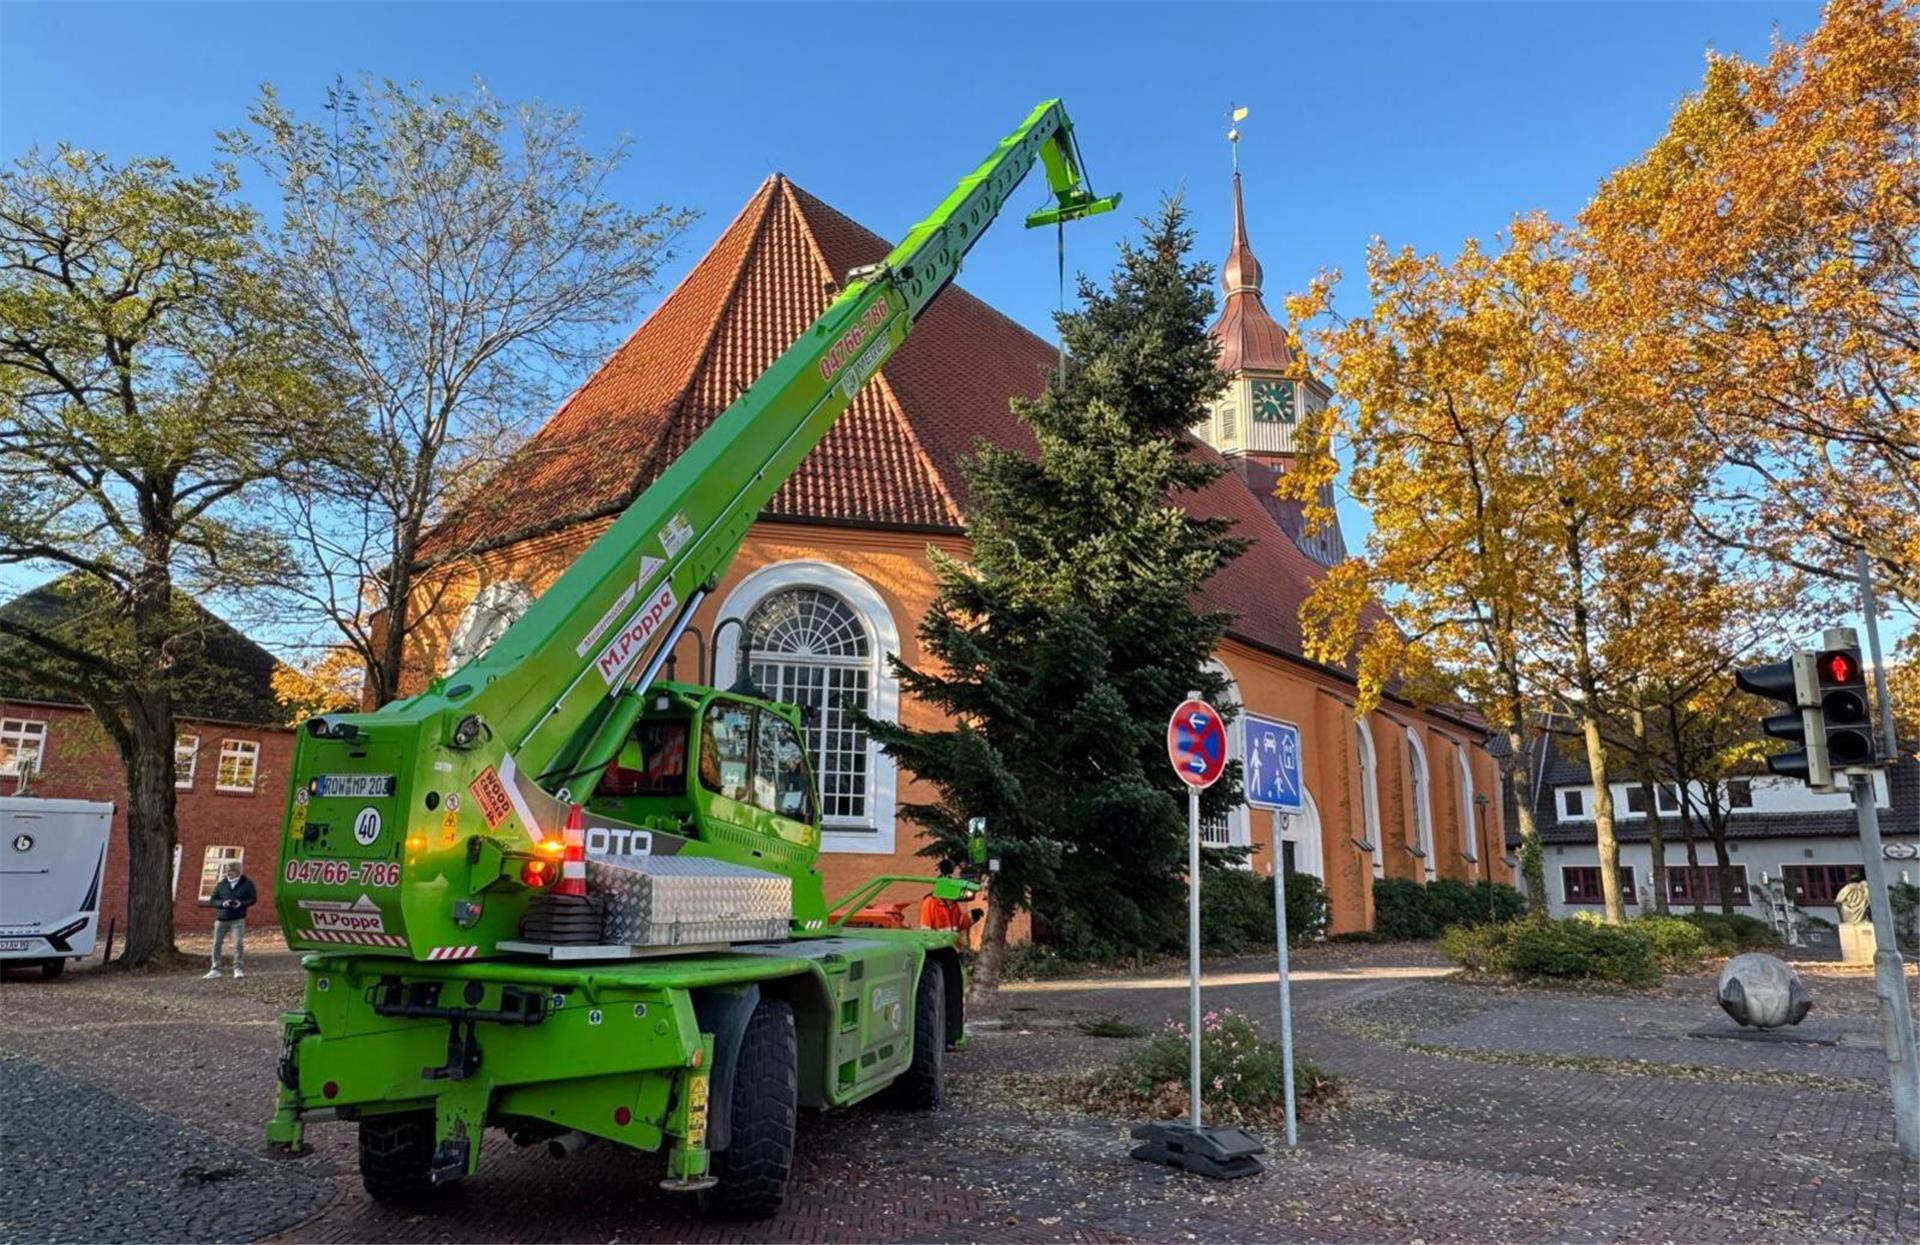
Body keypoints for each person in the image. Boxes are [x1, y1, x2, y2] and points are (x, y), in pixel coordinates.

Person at [206, 860, 256, 979]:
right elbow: (213, 900)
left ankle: (237, 968)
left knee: (238, 944)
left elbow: (253, 899)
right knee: (216, 943)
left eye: (232, 871)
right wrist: (223, 903)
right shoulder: (222, 884)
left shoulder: (247, 884)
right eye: (227, 871)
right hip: (221, 918)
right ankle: (215, 968)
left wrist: (241, 903)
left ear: (238, 872)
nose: (229, 873)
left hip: (238, 919)